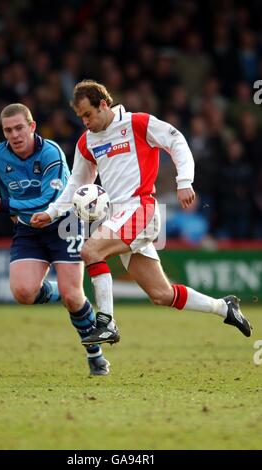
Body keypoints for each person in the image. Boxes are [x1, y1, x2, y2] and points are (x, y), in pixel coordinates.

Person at [31, 80, 252, 346]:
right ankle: (224, 308)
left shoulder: (137, 123)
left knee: (91, 251)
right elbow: (77, 183)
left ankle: (106, 323)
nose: (85, 122)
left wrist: (185, 181)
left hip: (140, 209)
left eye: (88, 114)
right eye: (80, 117)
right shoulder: (86, 142)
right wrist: (53, 211)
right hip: (116, 219)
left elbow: (176, 140)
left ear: (103, 104)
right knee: (161, 294)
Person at [0, 103, 110, 375]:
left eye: (19, 128)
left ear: (32, 127)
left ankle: (95, 354)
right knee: (23, 293)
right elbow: (3, 183)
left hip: (63, 223)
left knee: (74, 297)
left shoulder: (51, 152)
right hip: (28, 228)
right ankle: (58, 289)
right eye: (8, 130)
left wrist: (5, 205)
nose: (14, 135)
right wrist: (15, 210)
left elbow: (50, 200)